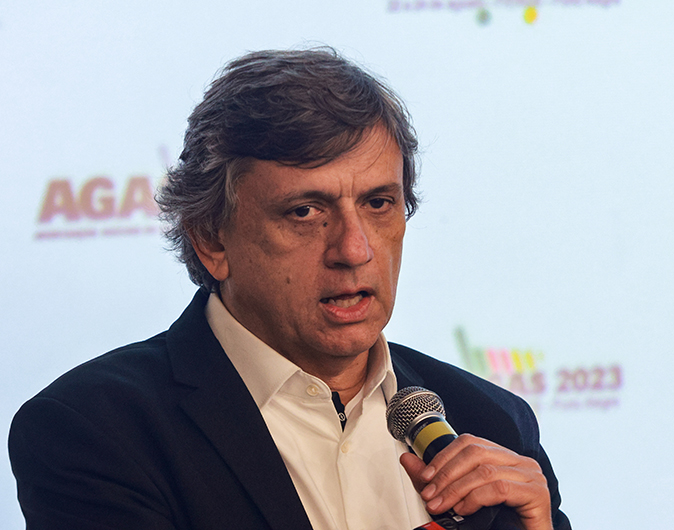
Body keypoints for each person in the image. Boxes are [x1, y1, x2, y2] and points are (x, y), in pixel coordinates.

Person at [9, 48, 571, 530]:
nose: (354, 249)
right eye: (305, 211)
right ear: (211, 238)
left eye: (379, 203)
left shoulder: (492, 420)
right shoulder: (94, 429)